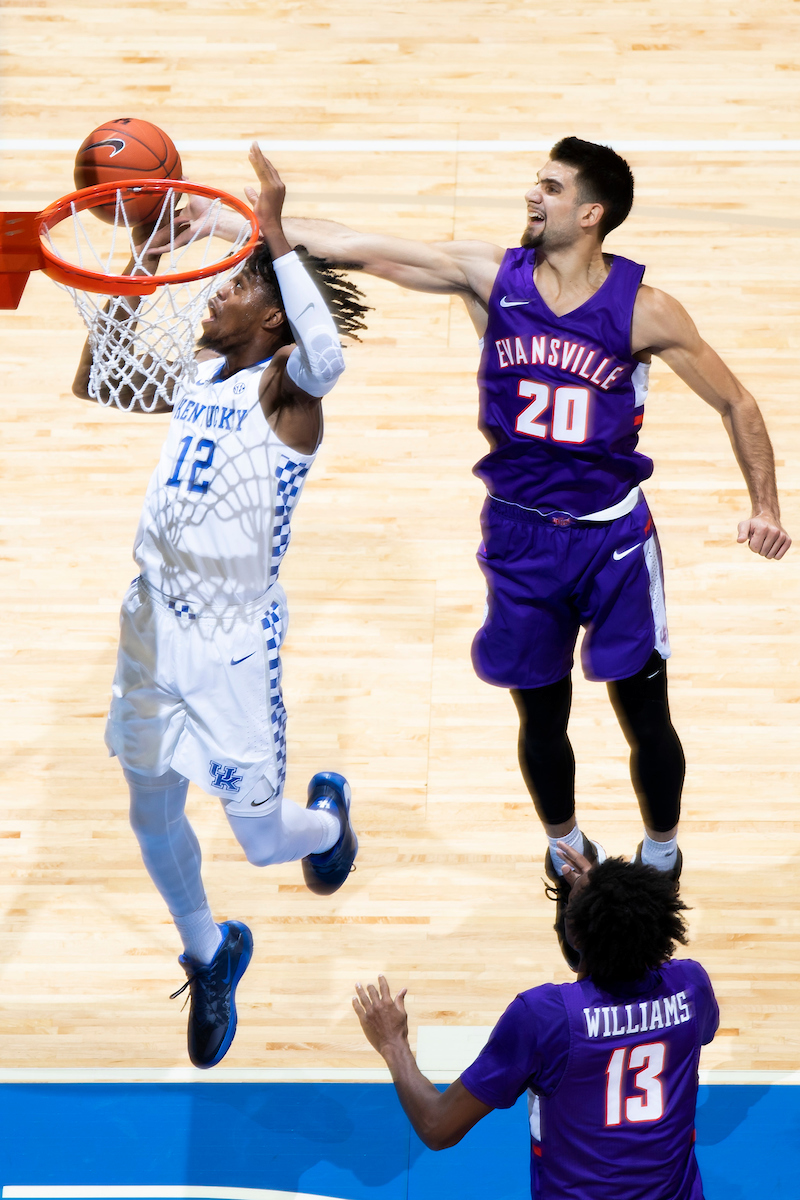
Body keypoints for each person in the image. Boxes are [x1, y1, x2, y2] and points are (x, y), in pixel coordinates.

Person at [263, 135, 791, 966]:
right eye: (534, 183)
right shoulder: (490, 276)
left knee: (642, 712)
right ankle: (564, 848)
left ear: (592, 212)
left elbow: (737, 400)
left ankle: (661, 854)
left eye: (550, 186)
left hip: (613, 540)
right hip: (516, 535)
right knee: (539, 713)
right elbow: (356, 247)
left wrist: (765, 504)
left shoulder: (646, 309)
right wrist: (248, 222)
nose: (531, 195)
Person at [72, 145, 367, 1068]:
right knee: (149, 811)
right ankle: (210, 955)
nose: (213, 295)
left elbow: (326, 353)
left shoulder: (288, 395)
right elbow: (98, 376)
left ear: (272, 308)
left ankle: (329, 821)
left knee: (264, 839)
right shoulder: (201, 378)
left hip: (233, 641)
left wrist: (272, 230)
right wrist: (145, 257)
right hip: (152, 622)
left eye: (232, 288)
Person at [354, 843, 719, 1200]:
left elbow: (436, 1127)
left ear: (574, 936)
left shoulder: (545, 1017)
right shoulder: (691, 985)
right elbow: (690, 1024)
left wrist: (392, 1043)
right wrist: (614, 898)